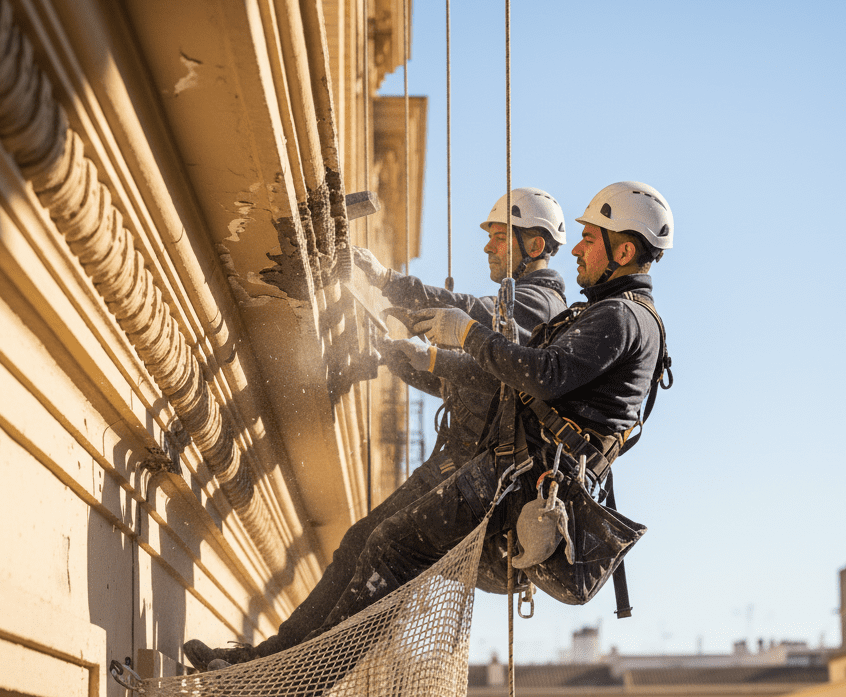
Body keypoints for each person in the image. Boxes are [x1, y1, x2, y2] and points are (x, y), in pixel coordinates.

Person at [183, 187, 570, 672]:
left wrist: (386, 280)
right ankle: (271, 664)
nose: (488, 247)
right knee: (361, 546)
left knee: (380, 555)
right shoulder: (522, 305)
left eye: (499, 237)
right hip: (457, 465)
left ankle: (288, 679)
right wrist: (402, 357)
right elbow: (470, 382)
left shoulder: (538, 304)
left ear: (534, 245)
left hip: (474, 474)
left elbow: (470, 312)